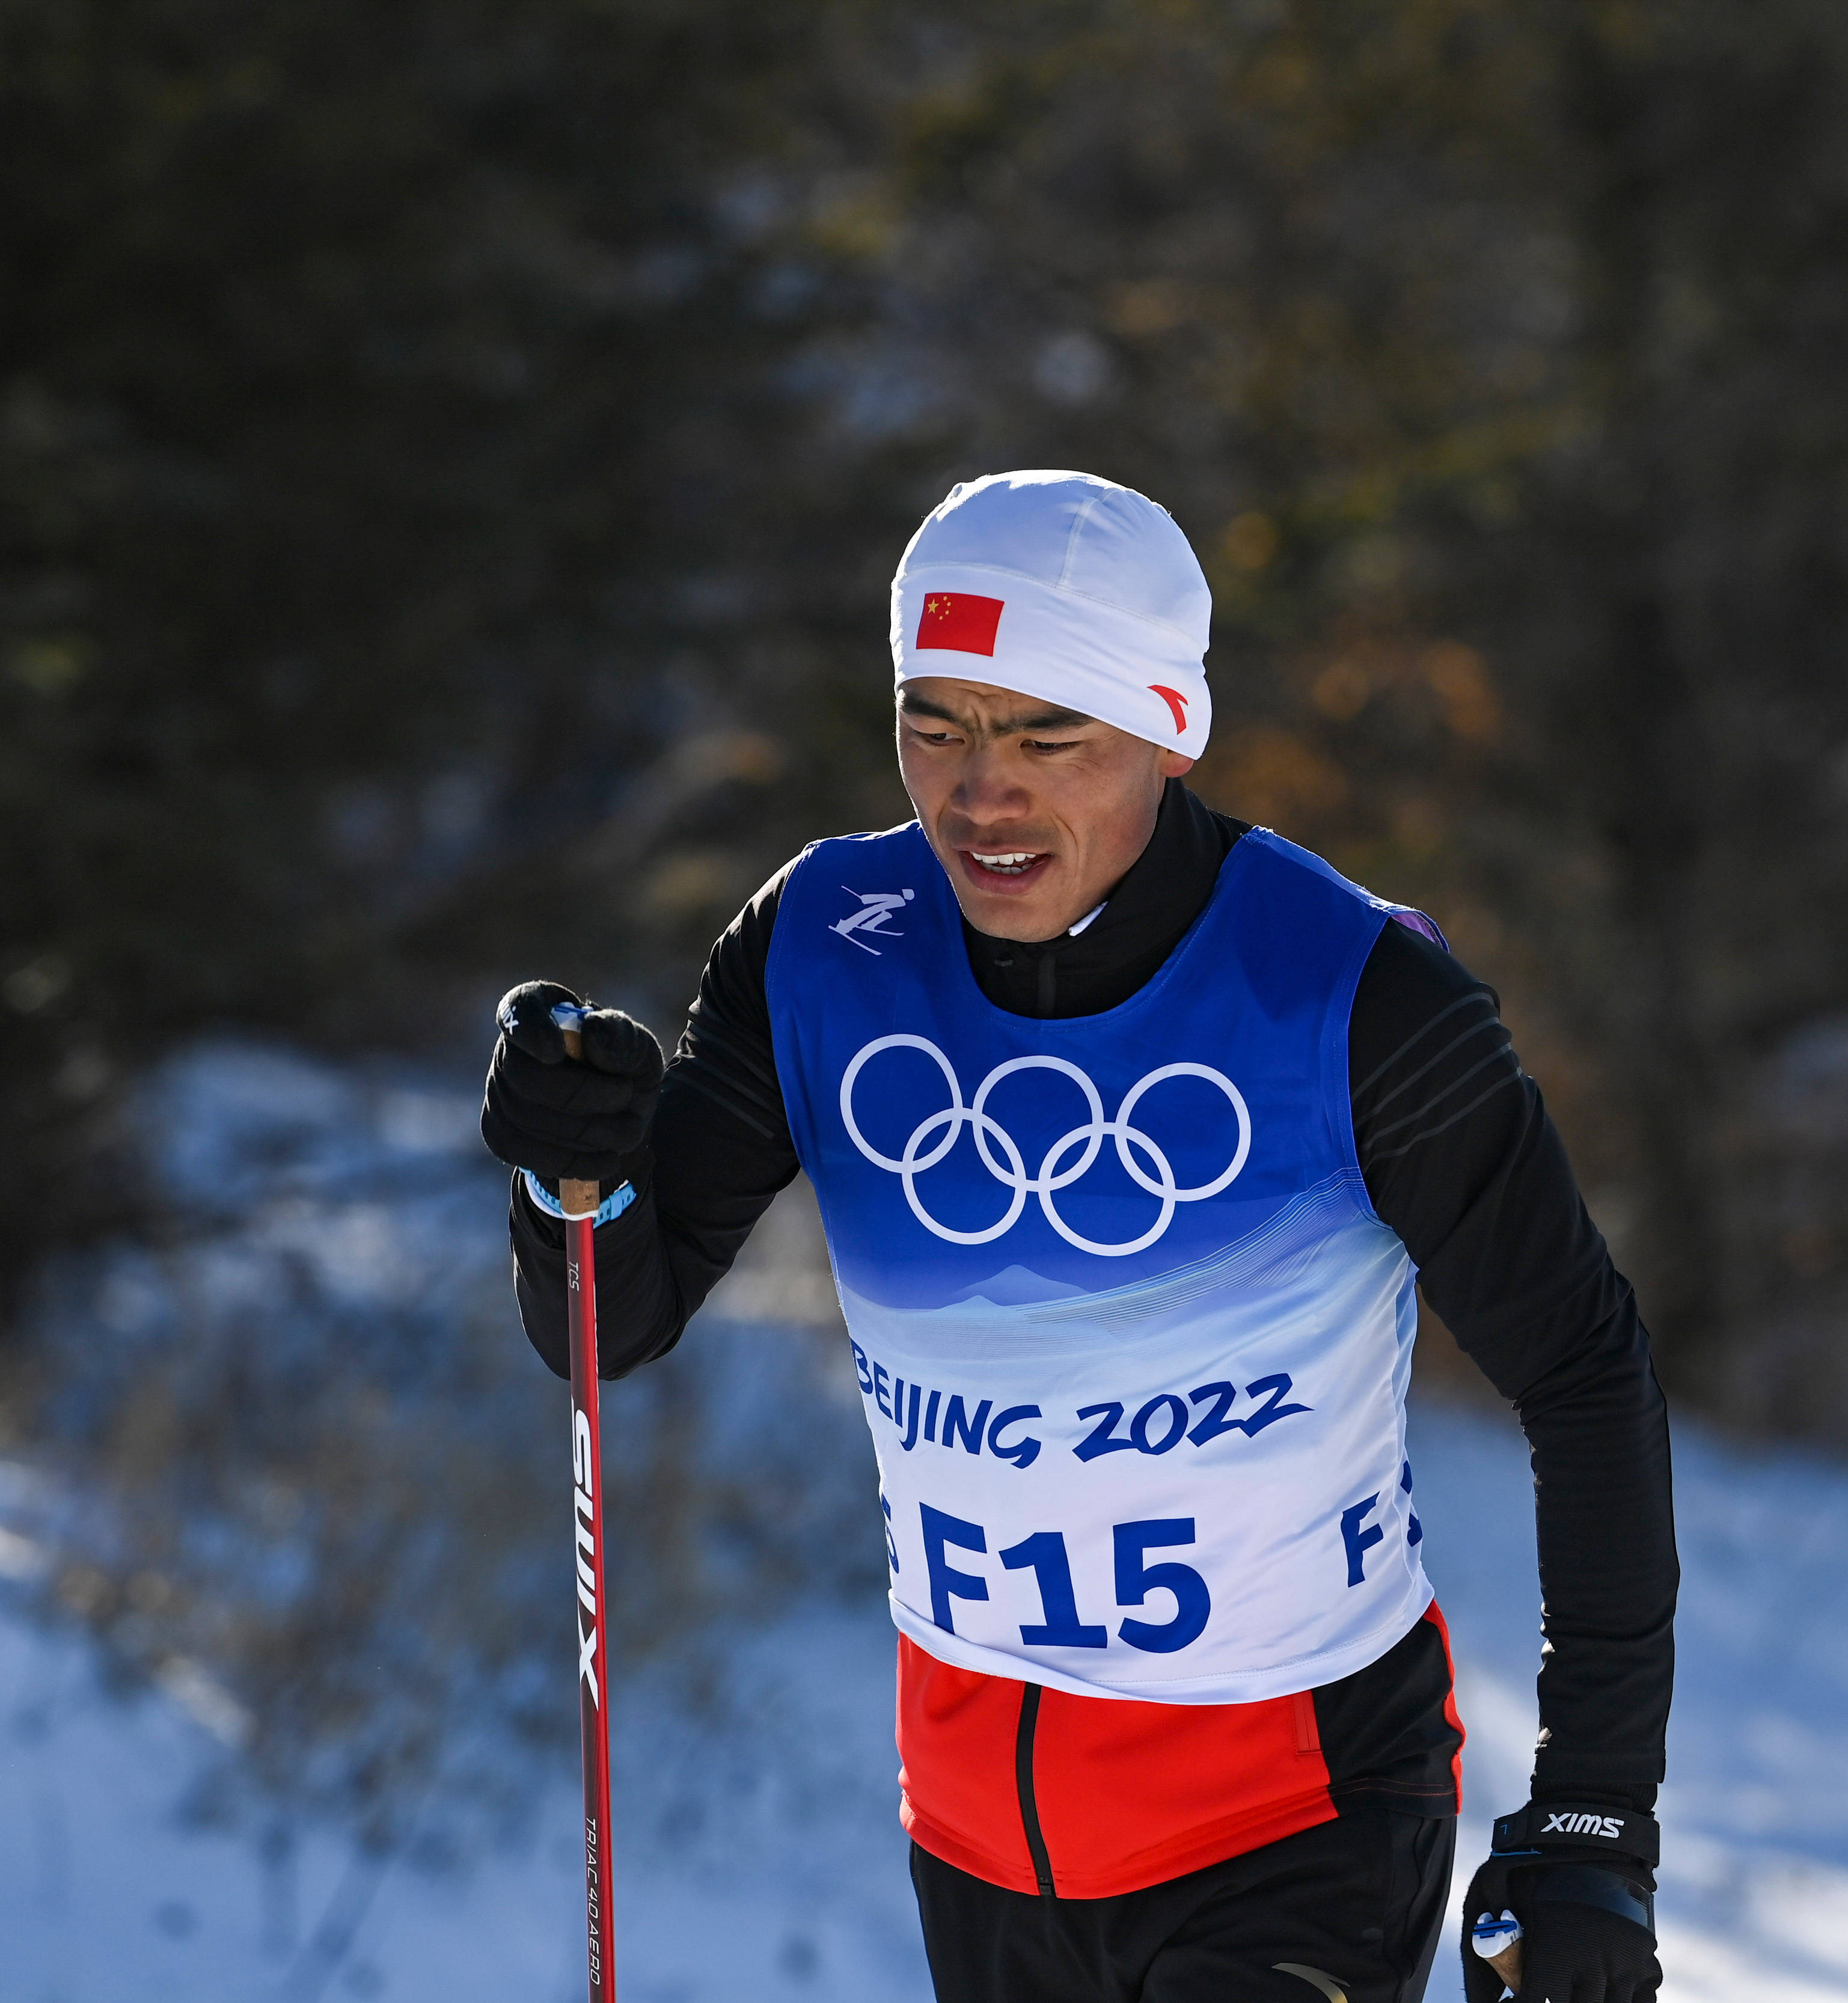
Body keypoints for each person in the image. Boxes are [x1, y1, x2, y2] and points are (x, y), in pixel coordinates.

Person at [482, 469, 1676, 2003]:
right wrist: (569, 1171)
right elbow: (608, 1321)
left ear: (1168, 725)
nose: (983, 792)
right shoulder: (823, 946)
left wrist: (1593, 1822)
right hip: (976, 1834)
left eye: (1051, 734)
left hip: (1293, 1816)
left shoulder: (1354, 997)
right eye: (938, 723)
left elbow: (1585, 1375)